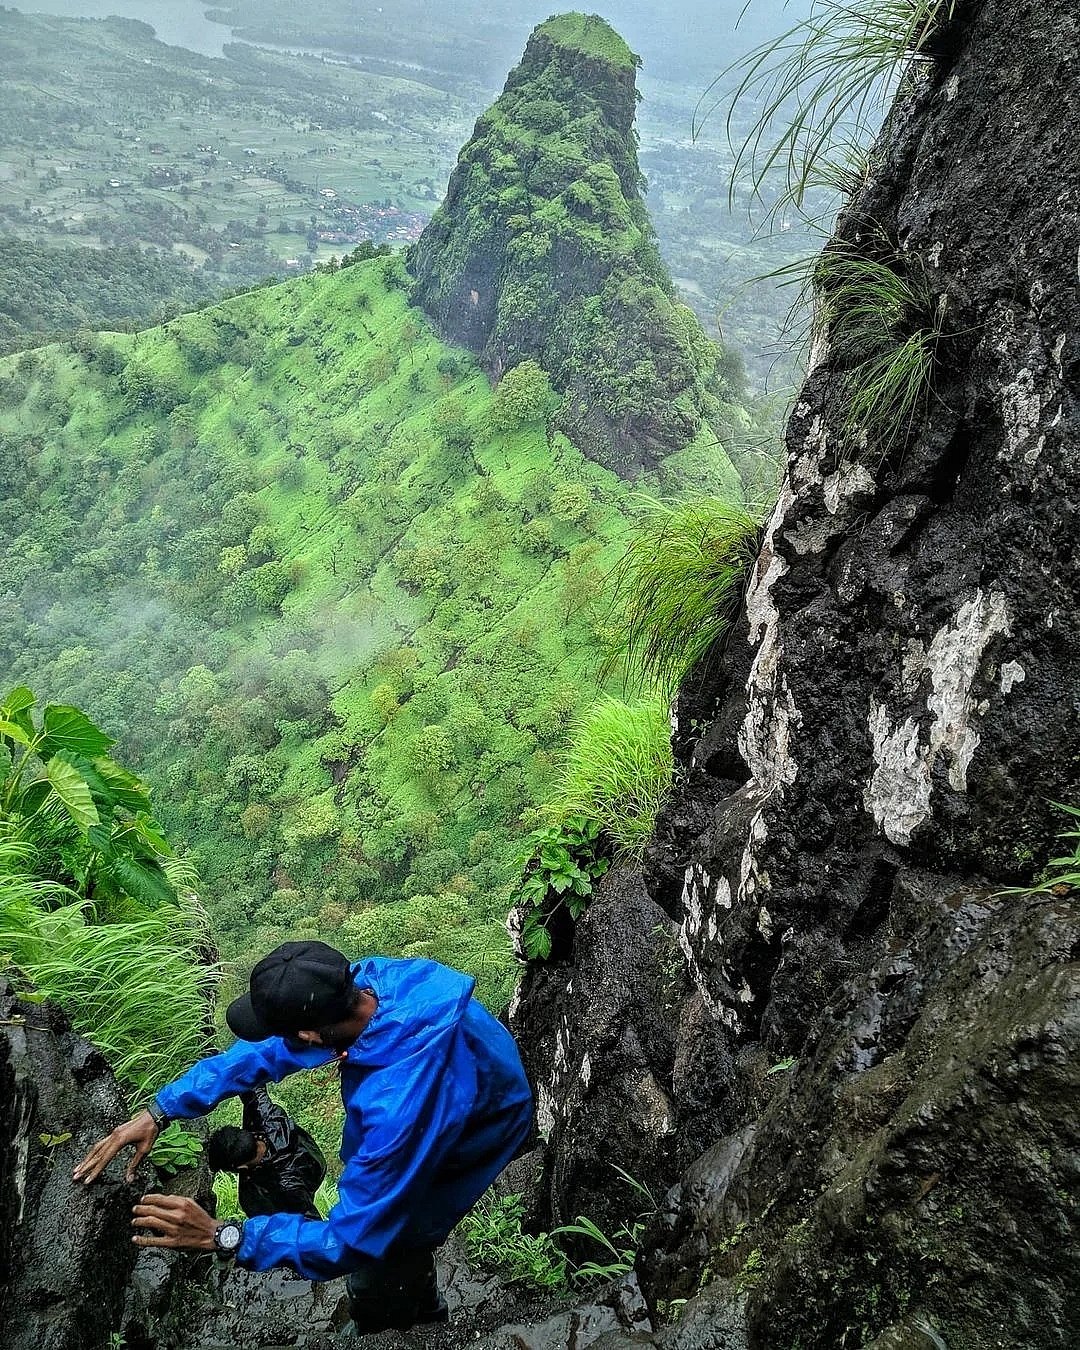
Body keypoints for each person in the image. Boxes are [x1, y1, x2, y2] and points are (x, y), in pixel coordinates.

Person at [74, 942, 534, 1333]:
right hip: (485, 1073)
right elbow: (267, 1051)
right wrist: (163, 1108)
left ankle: (408, 1325)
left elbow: (350, 1240)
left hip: (479, 1128)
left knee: (389, 1247)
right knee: (389, 1235)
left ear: (310, 1034)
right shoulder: (378, 981)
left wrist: (225, 1234)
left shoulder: (395, 1112)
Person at [206, 1085, 326, 1221]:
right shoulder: (263, 1113)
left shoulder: (286, 1185)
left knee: (255, 1202)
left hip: (312, 1169)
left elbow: (311, 1224)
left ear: (241, 1168)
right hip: (303, 1148)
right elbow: (251, 1080)